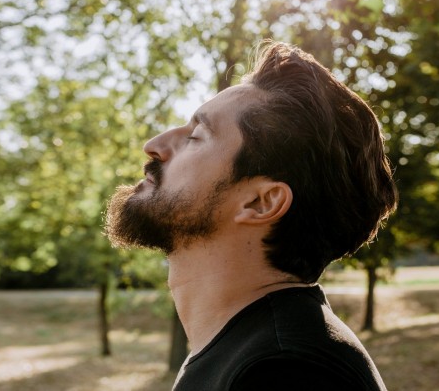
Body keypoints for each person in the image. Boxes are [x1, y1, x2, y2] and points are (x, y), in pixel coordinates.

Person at [105, 40, 397, 390]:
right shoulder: (250, 348)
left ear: (261, 203)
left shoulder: (285, 371)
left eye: (196, 136)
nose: (155, 144)